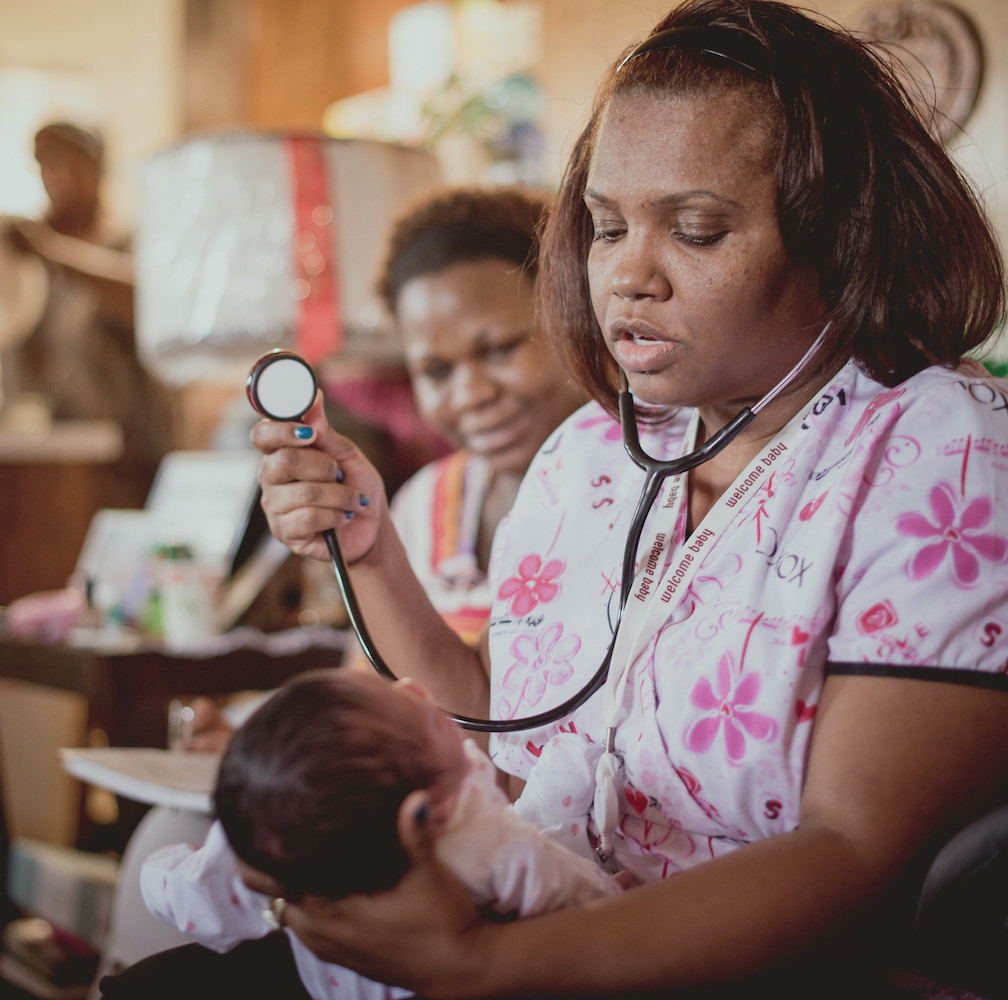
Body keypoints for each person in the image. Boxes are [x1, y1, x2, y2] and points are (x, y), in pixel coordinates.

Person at [101, 0, 1008, 996]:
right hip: (536, 907)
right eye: (608, 226)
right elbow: (498, 723)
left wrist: (483, 964)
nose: (627, 275)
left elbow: (854, 850)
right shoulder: (593, 448)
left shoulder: (946, 448)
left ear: (841, 235)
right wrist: (370, 552)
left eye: (696, 230)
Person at [138, 668, 619, 1000]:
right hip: (440, 982)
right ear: (426, 811)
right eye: (430, 718)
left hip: (327, 984)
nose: (412, 686)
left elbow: (190, 891)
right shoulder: (488, 848)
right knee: (551, 825)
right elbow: (566, 888)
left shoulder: (268, 837)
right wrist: (612, 893)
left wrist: (159, 873)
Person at [1, 121, 174, 500]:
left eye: (65, 160)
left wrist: (54, 252)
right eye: (44, 163)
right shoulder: (22, 247)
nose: (54, 175)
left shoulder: (126, 241)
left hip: (124, 465)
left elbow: (151, 305)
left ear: (96, 165)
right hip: (37, 465)